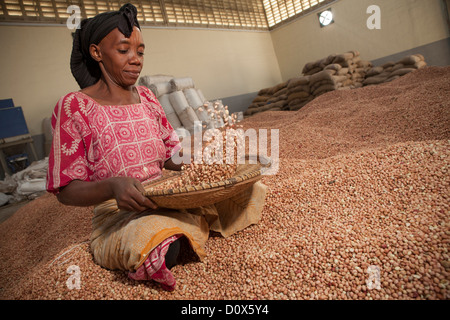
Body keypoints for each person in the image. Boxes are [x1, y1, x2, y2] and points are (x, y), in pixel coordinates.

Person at [47, 3, 266, 292]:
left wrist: (210, 161)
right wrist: (113, 186)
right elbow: (66, 190)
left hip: (167, 196)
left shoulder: (147, 97)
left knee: (250, 191)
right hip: (119, 214)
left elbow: (169, 155)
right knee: (162, 244)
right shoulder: (74, 106)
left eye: (140, 52)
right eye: (124, 50)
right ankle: (176, 233)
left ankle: (181, 226)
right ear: (97, 52)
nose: (135, 59)